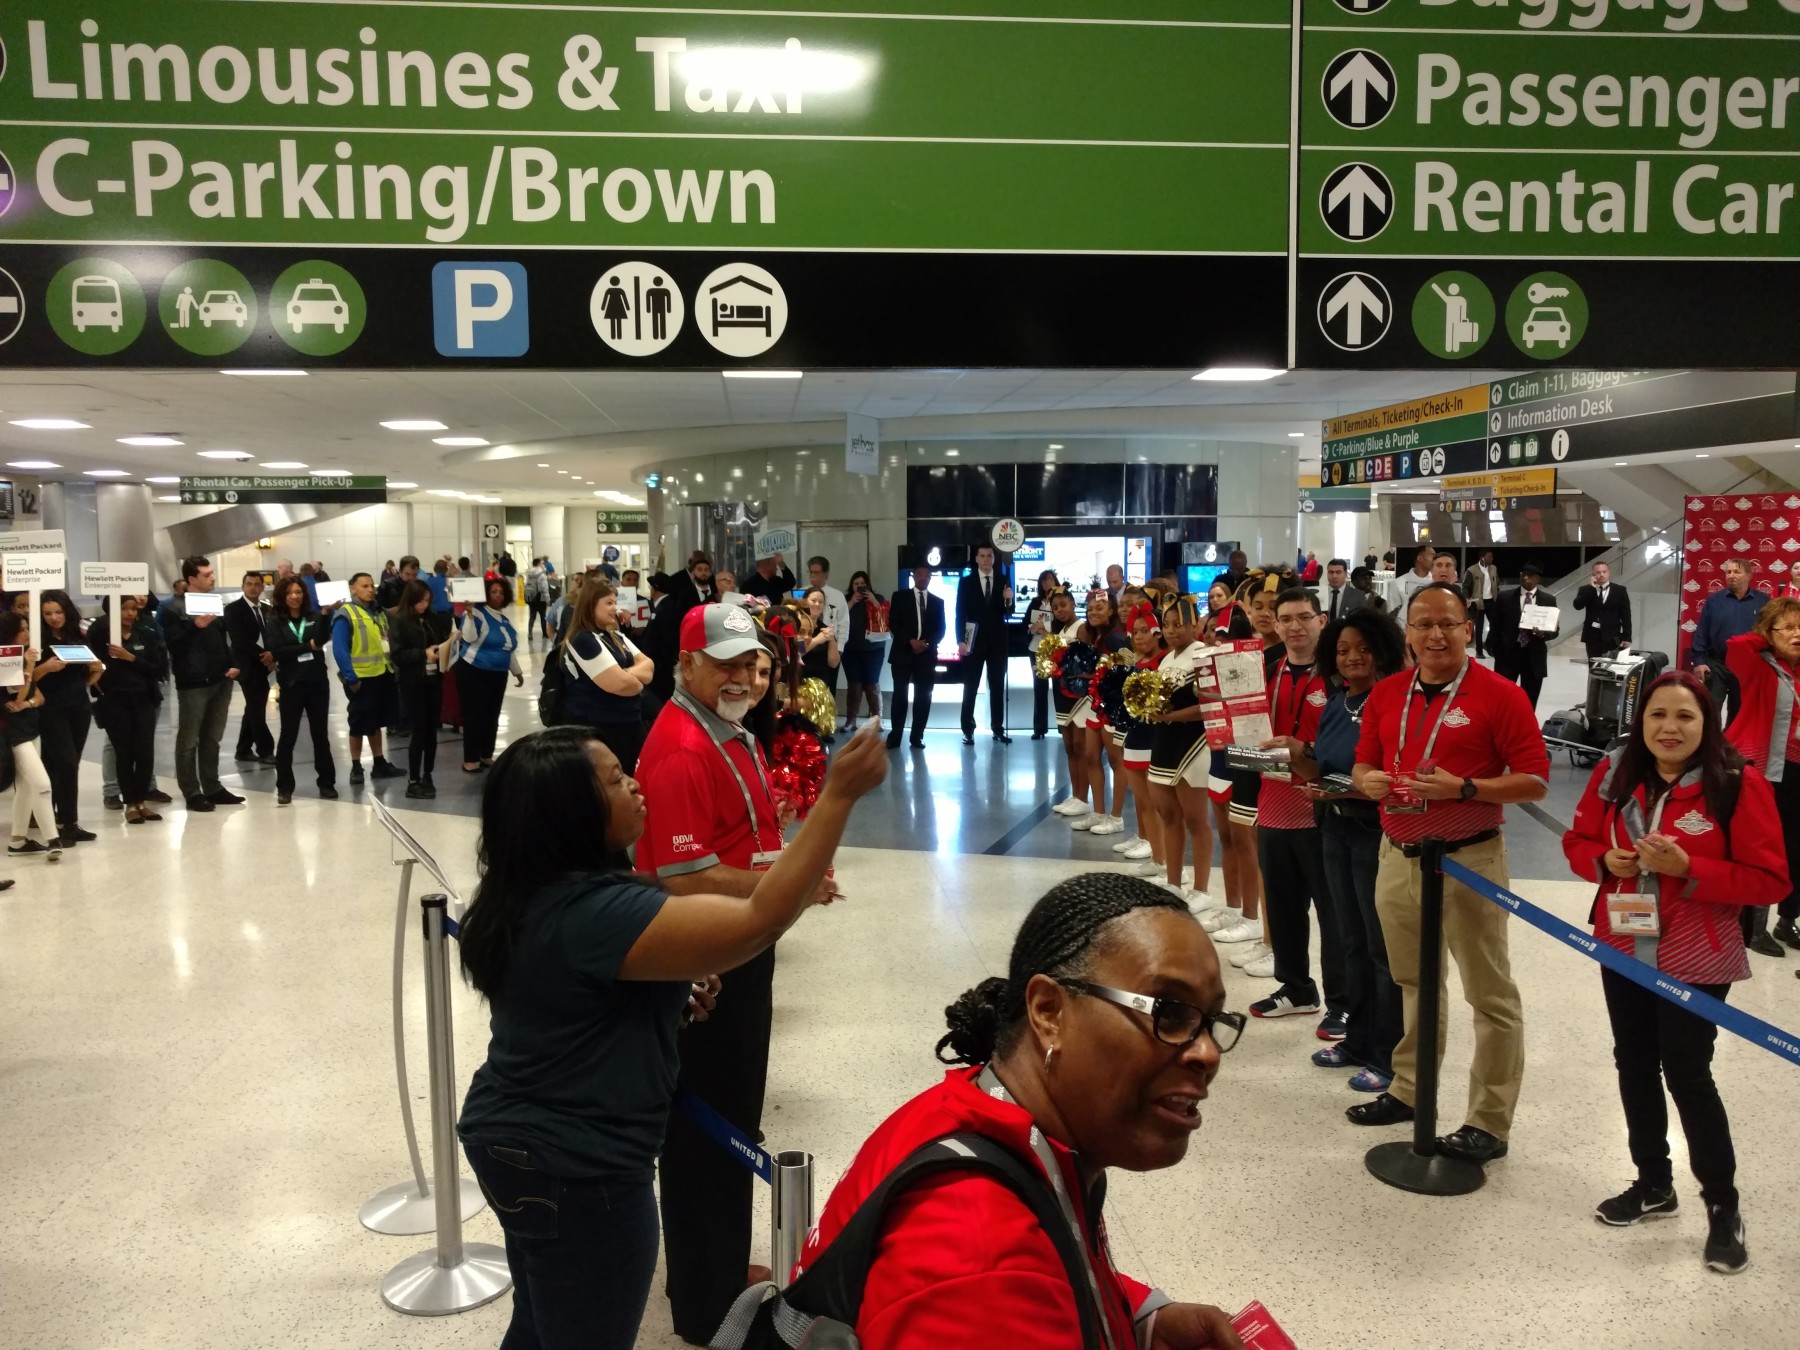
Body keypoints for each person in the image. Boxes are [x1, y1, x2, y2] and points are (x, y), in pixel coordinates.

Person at [454, 722, 884, 1350]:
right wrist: (837, 798)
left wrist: (666, 996)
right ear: (571, 812)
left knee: (542, 1323)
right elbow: (755, 923)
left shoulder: (526, 890)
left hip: (511, 1142)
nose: (633, 784)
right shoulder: (602, 914)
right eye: (613, 780)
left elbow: (572, 999)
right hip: (580, 1169)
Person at [799, 873, 1245, 1349]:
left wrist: (1140, 1318)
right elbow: (991, 1285)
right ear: (1049, 1011)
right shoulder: (979, 1257)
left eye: (1211, 1022)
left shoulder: (982, 1117)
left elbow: (1043, 1265)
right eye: (1168, 1012)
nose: (1207, 1053)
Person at [634, 603, 851, 1342]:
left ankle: (718, 1264)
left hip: (740, 947)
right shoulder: (682, 749)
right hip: (709, 960)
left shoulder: (723, 733)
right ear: (687, 664)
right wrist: (788, 878)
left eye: (750, 664)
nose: (742, 677)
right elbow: (683, 876)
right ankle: (703, 1300)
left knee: (731, 1115)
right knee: (707, 1126)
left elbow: (736, 841)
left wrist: (783, 857)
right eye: (724, 662)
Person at [1563, 671, 1787, 1275]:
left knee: (1688, 1072)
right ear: (1642, 720)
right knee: (1632, 1061)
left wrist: (1692, 868)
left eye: (1685, 717)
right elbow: (1578, 842)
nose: (1669, 728)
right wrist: (1602, 859)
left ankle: (1723, 1205)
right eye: (1658, 715)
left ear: (1706, 723)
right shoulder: (1616, 772)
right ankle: (1653, 1183)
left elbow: (1771, 881)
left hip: (1697, 954)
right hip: (1623, 941)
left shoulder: (1736, 783)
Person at [1349, 582, 1548, 1165]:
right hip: (1399, 854)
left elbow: (1534, 778)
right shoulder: (1387, 694)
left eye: (1448, 623)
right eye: (1423, 624)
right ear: (1407, 632)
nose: (1436, 634)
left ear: (1468, 629)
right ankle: (1411, 1090)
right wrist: (1368, 782)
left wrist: (1466, 788)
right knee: (1412, 981)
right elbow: (1364, 763)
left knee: (1489, 993)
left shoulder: (1500, 695)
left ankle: (1488, 1120)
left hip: (1469, 858)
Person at [1303, 610, 1408, 1093]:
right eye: (1342, 650)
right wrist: (1298, 760)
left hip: (1373, 833)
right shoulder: (1335, 703)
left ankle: (1387, 1055)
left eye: (1362, 648)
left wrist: (1339, 791)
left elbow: (1392, 780)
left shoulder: (1392, 702)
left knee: (1381, 947)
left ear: (1383, 649)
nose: (1352, 658)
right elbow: (1325, 763)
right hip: (1333, 831)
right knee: (1349, 940)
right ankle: (1356, 1040)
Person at [1247, 588, 1347, 1036]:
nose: (1293, 626)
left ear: (1321, 621)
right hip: (1271, 804)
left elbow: (1347, 749)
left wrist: (1302, 750)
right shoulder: (1265, 671)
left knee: (1334, 912)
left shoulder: (1339, 677)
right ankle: (1296, 988)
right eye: (1285, 618)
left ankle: (1344, 1002)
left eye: (1303, 617)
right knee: (1284, 907)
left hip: (1321, 810)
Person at [1723, 595, 1800, 957]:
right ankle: (1754, 930)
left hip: (1798, 771)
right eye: (1789, 627)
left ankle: (1788, 921)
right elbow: (1736, 645)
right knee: (1768, 848)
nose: (1797, 634)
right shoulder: (1759, 665)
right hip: (1767, 771)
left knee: (1798, 848)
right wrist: (1768, 635)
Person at [1145, 597, 1221, 913]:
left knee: (1196, 819)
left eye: (1180, 624)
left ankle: (1201, 889)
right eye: (1168, 624)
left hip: (1194, 746)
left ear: (1194, 624)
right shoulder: (1164, 661)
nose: (1173, 630)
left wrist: (1170, 717)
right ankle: (1174, 882)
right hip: (1164, 743)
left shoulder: (1204, 656)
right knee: (1168, 815)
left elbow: (1209, 705)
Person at [161, 556, 246, 815]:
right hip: (193, 681)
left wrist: (232, 663)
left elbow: (223, 637)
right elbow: (172, 644)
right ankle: (192, 790)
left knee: (212, 737)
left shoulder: (215, 603)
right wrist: (194, 627)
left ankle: (212, 786)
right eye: (207, 574)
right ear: (191, 579)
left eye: (212, 573)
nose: (212, 578)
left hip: (220, 678)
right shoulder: (173, 608)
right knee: (188, 740)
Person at [560, 578, 655, 774]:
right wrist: (632, 680)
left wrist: (626, 675)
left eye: (615, 602)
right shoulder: (582, 639)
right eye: (609, 603)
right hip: (601, 729)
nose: (615, 608)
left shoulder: (615, 635)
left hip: (629, 723)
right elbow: (620, 684)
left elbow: (649, 667)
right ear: (591, 604)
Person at [88, 595, 168, 825]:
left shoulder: (146, 634)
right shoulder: (101, 636)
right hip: (114, 701)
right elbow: (95, 670)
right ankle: (130, 804)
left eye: (133, 609)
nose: (130, 613)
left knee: (144, 752)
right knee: (124, 752)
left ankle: (141, 801)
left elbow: (158, 669)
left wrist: (131, 657)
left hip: (143, 699)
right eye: (124, 608)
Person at [32, 590, 101, 847]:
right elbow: (25, 678)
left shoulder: (77, 635)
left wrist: (96, 671)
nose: (53, 618)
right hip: (49, 708)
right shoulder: (36, 641)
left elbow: (89, 673)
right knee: (64, 763)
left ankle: (67, 821)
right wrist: (44, 668)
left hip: (78, 706)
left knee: (67, 765)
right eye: (47, 613)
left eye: (58, 612)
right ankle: (58, 823)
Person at [266, 575, 337, 804]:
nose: (295, 596)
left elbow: (323, 638)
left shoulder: (314, 616)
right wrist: (307, 646)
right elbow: (277, 650)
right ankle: (284, 787)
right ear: (282, 596)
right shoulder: (275, 619)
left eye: (298, 592)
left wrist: (326, 614)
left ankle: (326, 783)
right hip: (291, 683)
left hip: (316, 682)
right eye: (290, 593)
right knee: (288, 735)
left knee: (320, 735)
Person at [330, 572, 406, 787]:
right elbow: (340, 649)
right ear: (353, 589)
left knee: (376, 723)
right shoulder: (346, 614)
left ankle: (379, 763)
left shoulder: (378, 612)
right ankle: (356, 766)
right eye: (364, 586)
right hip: (361, 678)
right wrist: (351, 678)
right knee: (358, 723)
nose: (370, 589)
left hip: (382, 673)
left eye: (371, 586)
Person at [0, 615, 59, 862]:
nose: (26, 632)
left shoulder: (23, 657)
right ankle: (53, 838)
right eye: (21, 629)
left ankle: (18, 841)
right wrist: (30, 667)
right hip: (13, 732)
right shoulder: (6, 658)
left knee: (25, 788)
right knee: (42, 784)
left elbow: (36, 697)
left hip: (30, 726)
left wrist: (29, 704)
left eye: (27, 628)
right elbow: (17, 694)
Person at [1069, 592, 1129, 834]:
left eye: (1100, 608)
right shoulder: (1098, 637)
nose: (1093, 612)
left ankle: (1116, 818)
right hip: (1095, 705)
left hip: (1111, 708)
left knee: (1116, 761)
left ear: (1111, 610)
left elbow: (1127, 668)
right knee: (1091, 756)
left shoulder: (1115, 638)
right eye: (1091, 608)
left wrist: (1102, 680)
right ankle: (1098, 813)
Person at [389, 579, 452, 799]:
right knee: (419, 731)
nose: (424, 605)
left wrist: (445, 647)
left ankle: (428, 774)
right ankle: (413, 779)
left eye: (427, 600)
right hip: (412, 683)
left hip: (433, 681)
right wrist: (422, 654)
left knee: (431, 732)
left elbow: (439, 643)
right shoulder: (400, 621)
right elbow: (397, 654)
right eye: (420, 601)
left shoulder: (432, 619)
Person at [455, 576, 525, 773]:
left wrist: (517, 672)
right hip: (473, 670)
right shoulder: (476, 613)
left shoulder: (504, 619)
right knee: (474, 715)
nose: (498, 596)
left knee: (492, 715)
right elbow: (468, 637)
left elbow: (507, 648)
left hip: (498, 673)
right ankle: (471, 759)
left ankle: (486, 754)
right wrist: (468, 613)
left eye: (501, 592)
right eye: (494, 592)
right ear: (486, 594)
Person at [1691, 558, 1766, 723]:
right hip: (1716, 664)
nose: (1731, 575)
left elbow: (1767, 635)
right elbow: (1701, 632)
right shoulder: (1714, 601)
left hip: (1747, 668)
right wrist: (1698, 661)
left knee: (1739, 713)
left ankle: (1731, 747)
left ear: (1749, 575)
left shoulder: (1763, 602)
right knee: (1710, 710)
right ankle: (1711, 746)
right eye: (1728, 572)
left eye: (1737, 572)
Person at [956, 545, 1014, 745]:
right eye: (982, 556)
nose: (986, 559)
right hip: (973, 641)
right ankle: (968, 729)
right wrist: (960, 640)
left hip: (998, 643)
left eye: (989, 556)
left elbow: (1009, 611)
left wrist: (1009, 600)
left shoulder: (1002, 580)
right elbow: (960, 612)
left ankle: (997, 728)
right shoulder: (966, 582)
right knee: (970, 686)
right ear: (976, 558)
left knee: (997, 686)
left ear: (994, 559)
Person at [886, 564, 945, 750]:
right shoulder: (900, 596)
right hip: (903, 653)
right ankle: (895, 736)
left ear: (930, 579)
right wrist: (910, 641)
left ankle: (917, 736)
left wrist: (926, 643)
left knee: (923, 697)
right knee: (900, 696)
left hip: (926, 656)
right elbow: (893, 623)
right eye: (919, 575)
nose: (923, 578)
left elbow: (941, 629)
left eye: (927, 576)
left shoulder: (938, 601)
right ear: (913, 576)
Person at [1489, 561, 1560, 710]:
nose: (1526, 578)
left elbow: (1554, 630)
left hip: (1534, 657)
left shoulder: (1548, 600)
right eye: (1523, 575)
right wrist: (1496, 651)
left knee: (1529, 701)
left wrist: (1543, 634)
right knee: (1501, 699)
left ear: (1538, 580)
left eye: (1531, 576)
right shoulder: (1504, 597)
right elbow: (1495, 626)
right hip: (1508, 656)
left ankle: (1525, 730)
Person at [224, 570, 277, 766]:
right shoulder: (234, 609)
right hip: (247, 665)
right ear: (243, 586)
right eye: (249, 584)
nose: (253, 588)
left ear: (262, 588)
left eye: (257, 584)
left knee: (254, 707)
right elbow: (240, 640)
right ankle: (266, 750)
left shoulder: (266, 609)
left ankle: (243, 749)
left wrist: (272, 655)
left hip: (264, 666)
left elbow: (270, 634)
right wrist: (265, 656)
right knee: (256, 709)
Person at [841, 571, 885, 735]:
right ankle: (851, 720)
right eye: (856, 584)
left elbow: (883, 617)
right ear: (852, 586)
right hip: (851, 649)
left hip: (874, 650)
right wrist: (852, 601)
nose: (859, 587)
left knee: (871, 684)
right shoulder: (845, 600)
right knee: (854, 685)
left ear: (868, 585)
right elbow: (839, 617)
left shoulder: (877, 598)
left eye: (862, 584)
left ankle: (877, 719)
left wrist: (872, 600)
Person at [1026, 568, 1061, 740]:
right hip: (1037, 649)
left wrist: (1048, 632)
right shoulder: (1035, 602)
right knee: (1039, 688)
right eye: (1044, 581)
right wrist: (1034, 628)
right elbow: (1026, 624)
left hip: (1055, 650)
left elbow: (1063, 625)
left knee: (1058, 688)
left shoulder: (1060, 603)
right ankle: (1039, 729)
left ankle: (1063, 728)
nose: (1047, 583)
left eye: (1050, 579)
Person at [1573, 560, 1633, 658]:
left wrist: (1627, 637)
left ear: (1609, 573)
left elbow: (1626, 615)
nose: (1601, 575)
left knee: (1611, 668)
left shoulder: (1620, 590)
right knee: (1593, 667)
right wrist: (1591, 588)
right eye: (1598, 572)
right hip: (1592, 636)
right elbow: (1577, 606)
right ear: (1593, 575)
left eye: (1604, 572)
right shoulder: (1585, 590)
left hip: (1612, 635)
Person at [800, 587, 841, 699]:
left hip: (820, 688)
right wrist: (817, 640)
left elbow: (834, 663)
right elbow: (796, 653)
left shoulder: (825, 629)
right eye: (813, 600)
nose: (817, 604)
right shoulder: (798, 625)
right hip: (800, 685)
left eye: (821, 602)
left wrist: (831, 640)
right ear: (805, 601)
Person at [1462, 549, 1499, 657]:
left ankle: (1487, 644)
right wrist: (1466, 598)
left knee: (1496, 624)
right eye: (1489, 556)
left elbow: (1496, 583)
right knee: (1479, 628)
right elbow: (1465, 587)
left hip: (1491, 601)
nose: (1492, 558)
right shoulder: (1472, 570)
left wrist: (1498, 595)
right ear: (1482, 558)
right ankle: (1479, 651)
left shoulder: (1493, 568)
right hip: (1477, 603)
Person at [806, 556, 850, 646]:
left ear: (826, 574)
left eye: (817, 572)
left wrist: (840, 648)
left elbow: (843, 623)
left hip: (831, 644)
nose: (813, 575)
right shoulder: (801, 593)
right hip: (807, 643)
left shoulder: (837, 596)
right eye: (811, 572)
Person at [1321, 558, 1366, 623]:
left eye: (1338, 572)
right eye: (1331, 572)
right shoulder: (1320, 594)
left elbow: (1362, 620)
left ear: (1345, 573)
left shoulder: (1358, 595)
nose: (1334, 576)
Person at [523, 557, 551, 639]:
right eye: (542, 563)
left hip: (531, 597)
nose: (543, 565)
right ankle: (544, 634)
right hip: (541, 598)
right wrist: (548, 599)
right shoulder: (542, 575)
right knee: (543, 616)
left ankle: (530, 633)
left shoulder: (529, 574)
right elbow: (545, 588)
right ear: (539, 564)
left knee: (532, 615)